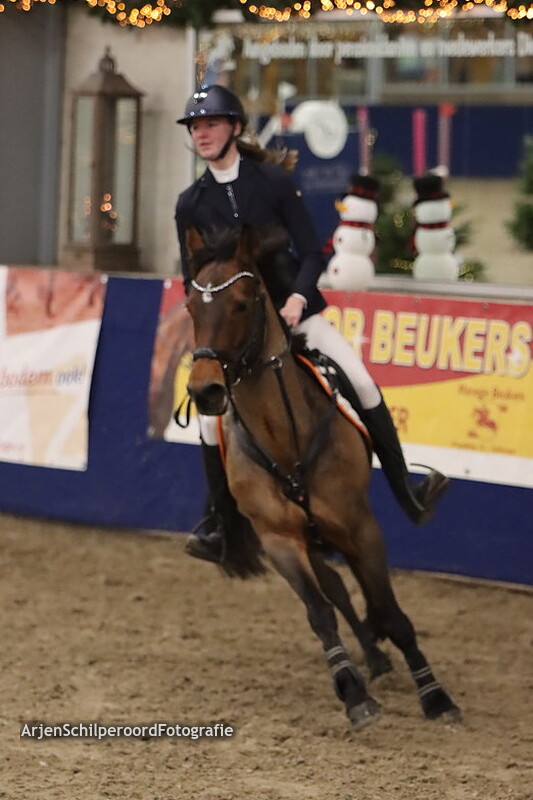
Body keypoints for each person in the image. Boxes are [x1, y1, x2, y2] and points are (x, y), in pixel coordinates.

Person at [175, 85, 450, 564]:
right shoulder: (191, 202)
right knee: (206, 422)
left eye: (211, 124)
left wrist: (299, 297)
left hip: (296, 310)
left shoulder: (273, 183)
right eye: (196, 127)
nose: (202, 133)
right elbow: (191, 277)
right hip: (237, 335)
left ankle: (407, 489)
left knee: (362, 382)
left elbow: (314, 249)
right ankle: (220, 524)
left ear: (235, 128)